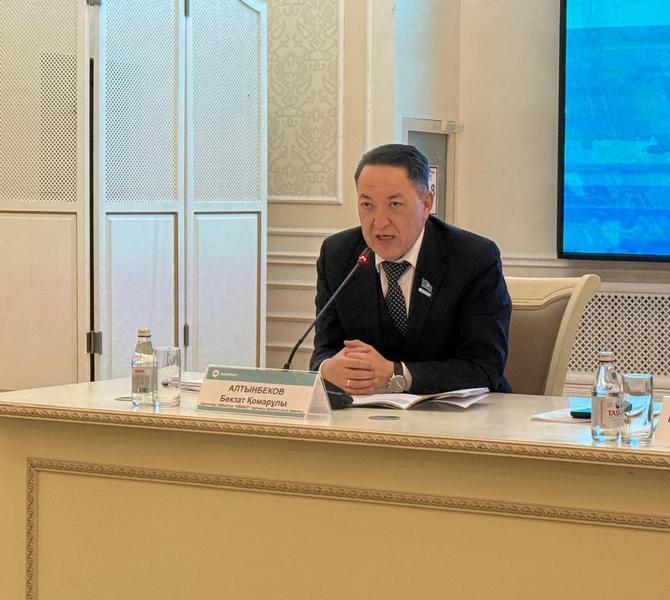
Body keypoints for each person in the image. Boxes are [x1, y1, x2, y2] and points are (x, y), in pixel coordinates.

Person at [309, 144, 512, 395]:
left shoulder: (474, 258)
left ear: (426, 203)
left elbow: (484, 368)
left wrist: (398, 374)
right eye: (367, 205)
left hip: (463, 413)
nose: (379, 222)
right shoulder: (337, 255)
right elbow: (325, 351)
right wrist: (327, 369)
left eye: (394, 204)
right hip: (368, 412)